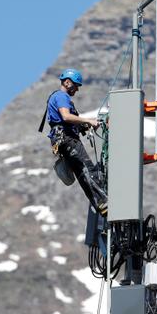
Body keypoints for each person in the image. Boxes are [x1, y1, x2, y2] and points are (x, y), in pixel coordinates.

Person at [39, 68, 108, 217]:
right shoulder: (62, 96)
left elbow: (67, 119)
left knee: (82, 174)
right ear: (67, 82)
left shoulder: (56, 97)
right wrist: (88, 120)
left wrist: (84, 125)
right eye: (76, 85)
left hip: (62, 141)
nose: (76, 89)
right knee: (88, 169)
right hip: (68, 140)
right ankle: (104, 201)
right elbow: (66, 117)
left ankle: (100, 205)